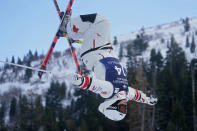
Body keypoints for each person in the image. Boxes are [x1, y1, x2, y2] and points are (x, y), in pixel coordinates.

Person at [61, 13, 157, 121]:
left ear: (112, 105)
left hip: (94, 51)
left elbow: (94, 85)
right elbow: (137, 95)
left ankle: (68, 28)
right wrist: (148, 100)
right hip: (106, 50)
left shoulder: (109, 91)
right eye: (125, 109)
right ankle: (75, 32)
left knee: (103, 21)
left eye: (121, 107)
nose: (125, 106)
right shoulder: (125, 93)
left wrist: (80, 81)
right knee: (96, 26)